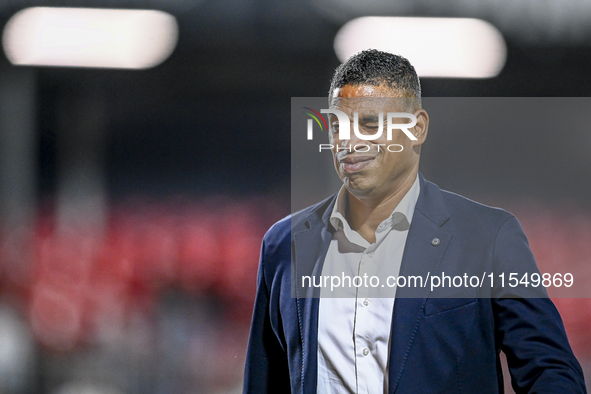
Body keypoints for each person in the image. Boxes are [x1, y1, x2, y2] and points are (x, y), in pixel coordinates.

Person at [243, 49, 586, 393]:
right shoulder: (284, 244)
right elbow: (264, 381)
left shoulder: (487, 237)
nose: (348, 140)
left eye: (369, 123)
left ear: (417, 128)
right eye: (337, 125)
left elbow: (550, 371)